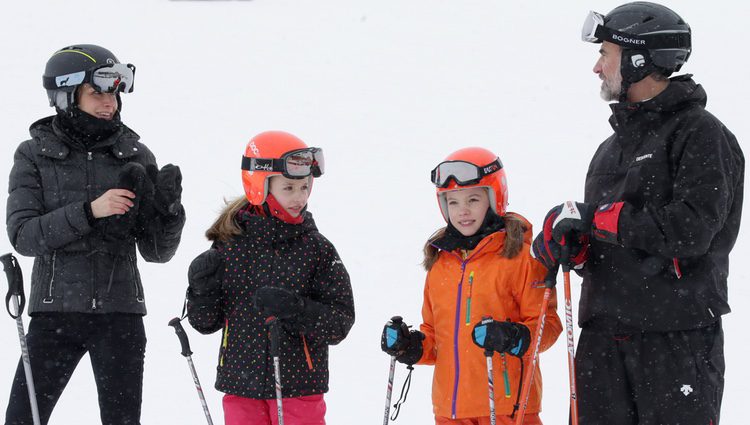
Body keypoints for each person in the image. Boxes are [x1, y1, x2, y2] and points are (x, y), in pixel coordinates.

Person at [532, 3, 744, 424]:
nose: (597, 68)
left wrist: (603, 220)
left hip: (672, 339)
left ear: (639, 59)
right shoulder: (610, 149)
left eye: (605, 54)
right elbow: (606, 232)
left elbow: (693, 229)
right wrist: (572, 242)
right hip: (603, 341)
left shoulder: (700, 133)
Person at [5, 44, 186, 424]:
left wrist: (169, 215)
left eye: (115, 93)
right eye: (98, 92)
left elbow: (156, 252)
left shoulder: (136, 153)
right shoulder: (33, 154)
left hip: (119, 316)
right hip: (55, 315)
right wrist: (90, 211)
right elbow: (23, 236)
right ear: (66, 95)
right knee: (23, 419)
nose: (110, 103)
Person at [381, 147, 562, 425]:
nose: (462, 211)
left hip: (507, 409)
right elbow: (435, 337)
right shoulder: (441, 263)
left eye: (473, 200)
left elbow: (548, 326)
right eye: (452, 203)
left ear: (494, 198)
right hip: (449, 411)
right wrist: (412, 346)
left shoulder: (521, 258)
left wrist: (512, 336)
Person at [185, 131, 354, 425]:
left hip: (298, 387)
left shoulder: (317, 249)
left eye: (304, 187)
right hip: (240, 385)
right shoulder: (230, 244)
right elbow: (206, 323)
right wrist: (202, 290)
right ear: (258, 186)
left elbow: (339, 322)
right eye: (289, 187)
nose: (299, 197)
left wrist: (296, 309)